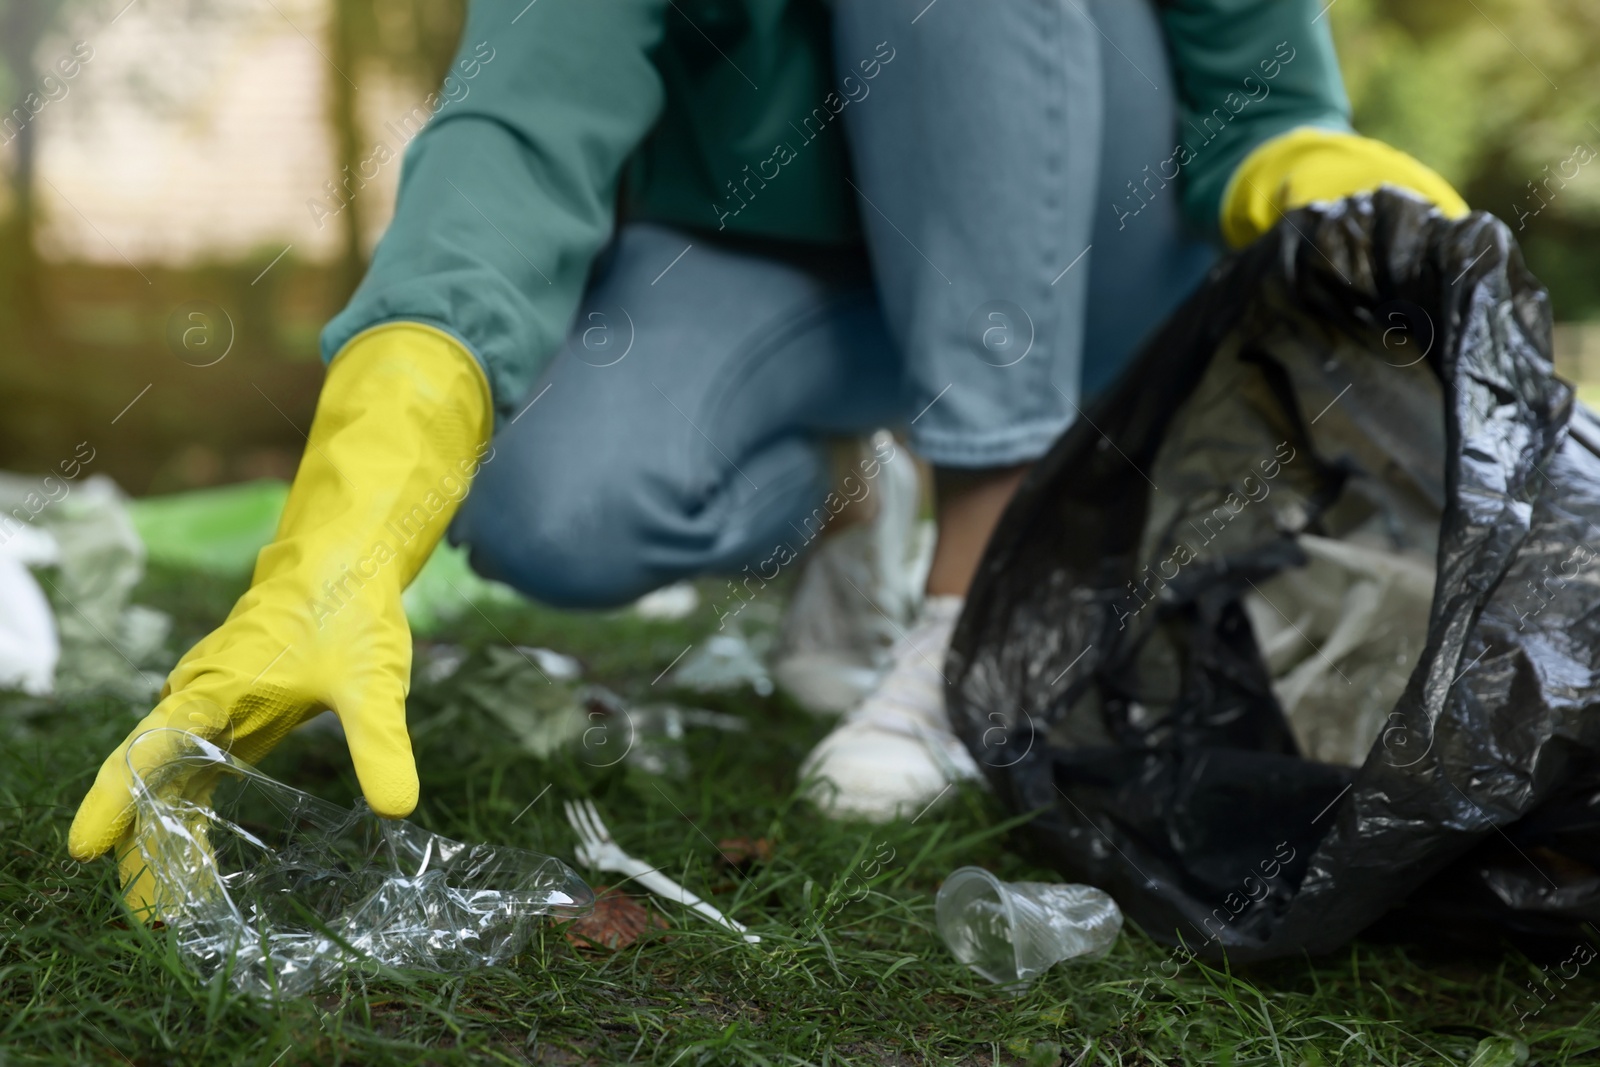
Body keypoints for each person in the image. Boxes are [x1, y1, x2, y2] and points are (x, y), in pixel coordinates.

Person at [69, 0, 1466, 891]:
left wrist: (1325, 183)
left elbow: (1267, 98)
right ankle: (852, 503)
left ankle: (976, 597)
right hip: (788, 262)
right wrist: (338, 544)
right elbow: (510, 144)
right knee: (556, 506)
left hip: (1086, 226)